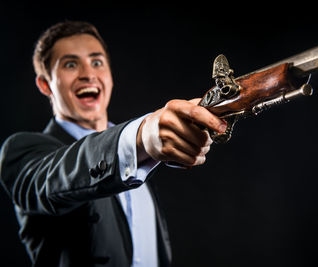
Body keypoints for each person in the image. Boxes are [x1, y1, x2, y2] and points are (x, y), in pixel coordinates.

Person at [0, 21, 227, 267]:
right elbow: (53, 180)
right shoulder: (23, 151)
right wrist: (141, 137)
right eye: (70, 64)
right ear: (46, 84)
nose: (88, 74)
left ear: (109, 75)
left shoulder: (139, 157)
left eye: (97, 62)